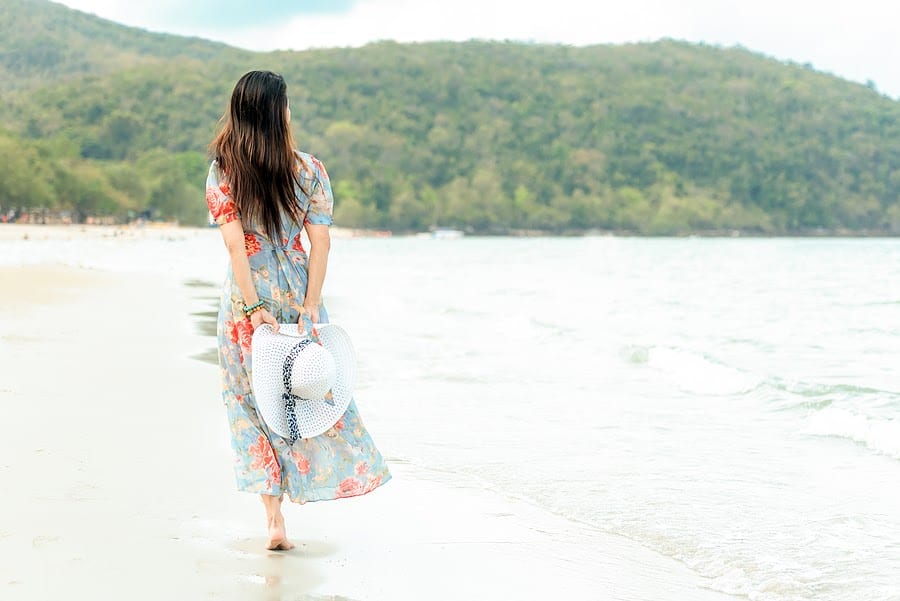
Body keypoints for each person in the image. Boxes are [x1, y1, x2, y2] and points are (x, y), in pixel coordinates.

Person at [205, 70, 391, 551]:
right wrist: (310, 307)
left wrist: (252, 307)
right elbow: (321, 242)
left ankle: (273, 520)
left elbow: (235, 246)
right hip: (297, 295)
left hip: (248, 299)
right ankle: (304, 485)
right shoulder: (310, 170)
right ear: (277, 113)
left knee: (248, 400)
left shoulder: (224, 169)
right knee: (298, 393)